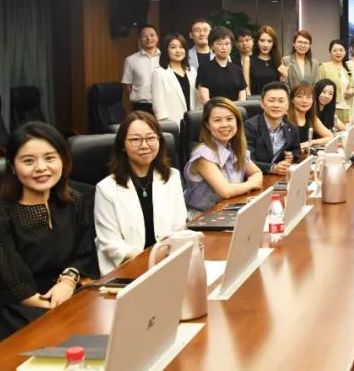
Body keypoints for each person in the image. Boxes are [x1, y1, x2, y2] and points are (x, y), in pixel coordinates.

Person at [0, 123, 98, 357]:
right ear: (13, 166)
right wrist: (52, 307)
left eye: (49, 158)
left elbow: (84, 252)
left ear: (63, 160)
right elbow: (10, 280)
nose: (41, 168)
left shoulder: (75, 200)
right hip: (13, 308)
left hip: (62, 295)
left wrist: (67, 281)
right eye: (28, 161)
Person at [94, 112, 187, 275]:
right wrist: (149, 262)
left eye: (151, 138)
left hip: (167, 263)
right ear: (122, 145)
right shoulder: (106, 188)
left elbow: (179, 226)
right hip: (128, 270)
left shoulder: (172, 177)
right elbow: (111, 243)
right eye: (135, 139)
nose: (144, 145)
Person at [182, 98, 263, 213]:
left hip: (230, 210)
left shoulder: (234, 148)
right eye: (217, 120)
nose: (224, 125)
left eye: (229, 119)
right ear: (207, 125)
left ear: (237, 122)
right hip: (202, 217)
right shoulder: (203, 155)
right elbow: (226, 191)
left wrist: (250, 183)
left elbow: (256, 172)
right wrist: (251, 184)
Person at [243, 82, 300, 175]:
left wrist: (291, 155)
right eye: (271, 100)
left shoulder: (291, 128)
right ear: (262, 103)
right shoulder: (249, 127)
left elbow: (296, 149)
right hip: (255, 177)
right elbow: (246, 161)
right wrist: (272, 168)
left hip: (279, 177)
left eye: (281, 101)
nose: (276, 105)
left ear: (288, 105)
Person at [151, 33, 201, 127]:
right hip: (172, 123)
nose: (178, 51)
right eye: (173, 47)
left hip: (192, 122)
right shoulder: (159, 73)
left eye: (181, 47)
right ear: (166, 50)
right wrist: (166, 125)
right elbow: (158, 105)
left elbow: (198, 98)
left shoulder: (192, 71)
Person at [196, 27, 247, 103]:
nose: (224, 47)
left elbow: (242, 96)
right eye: (219, 44)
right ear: (212, 46)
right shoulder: (204, 68)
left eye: (227, 43)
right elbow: (204, 99)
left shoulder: (237, 69)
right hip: (213, 109)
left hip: (235, 109)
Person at [121, 24, 161, 113]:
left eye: (152, 35)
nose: (149, 38)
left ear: (157, 38)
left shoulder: (166, 58)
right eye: (144, 36)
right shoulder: (130, 60)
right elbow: (127, 85)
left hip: (163, 105)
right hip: (141, 107)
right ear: (139, 40)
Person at [288, 82, 332, 153]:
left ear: (312, 100)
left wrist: (312, 142)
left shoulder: (311, 118)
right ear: (292, 99)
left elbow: (330, 137)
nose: (304, 101)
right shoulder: (285, 118)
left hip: (304, 157)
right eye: (299, 96)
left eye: (308, 97)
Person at [317, 40, 354, 123]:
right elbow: (319, 88)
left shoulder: (348, 68)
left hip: (346, 108)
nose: (338, 53)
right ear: (330, 52)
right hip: (330, 107)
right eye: (335, 50)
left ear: (345, 52)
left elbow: (352, 86)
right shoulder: (323, 67)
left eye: (341, 50)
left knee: (345, 129)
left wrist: (352, 90)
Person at [245, 26, 281, 96]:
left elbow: (281, 86)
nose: (265, 45)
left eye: (269, 41)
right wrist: (250, 100)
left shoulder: (278, 60)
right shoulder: (248, 60)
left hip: (273, 100)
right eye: (262, 40)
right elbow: (246, 86)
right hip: (255, 100)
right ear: (257, 42)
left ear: (273, 43)